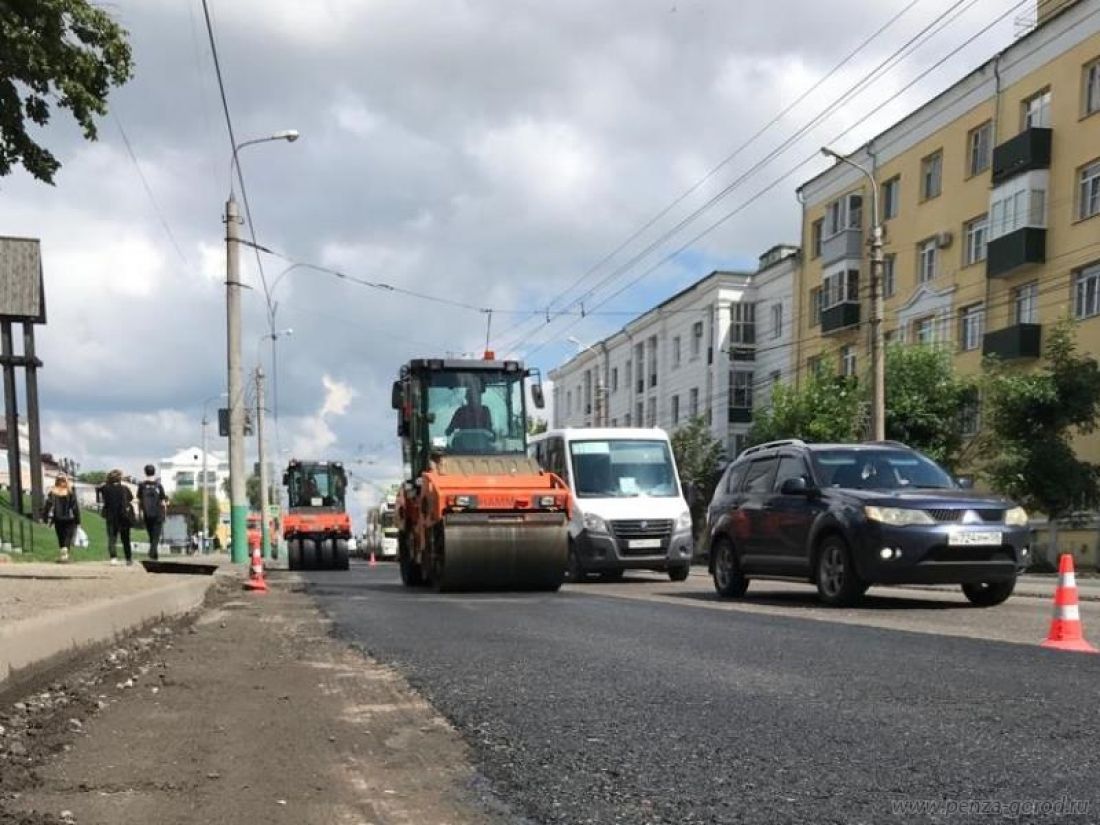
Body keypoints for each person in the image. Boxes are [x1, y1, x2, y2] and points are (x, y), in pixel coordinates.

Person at [99, 469, 135, 566]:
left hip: (111, 516)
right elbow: (131, 498)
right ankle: (128, 558)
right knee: (126, 539)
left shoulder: (105, 488)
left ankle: (113, 558)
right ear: (120, 478)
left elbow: (99, 490)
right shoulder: (124, 488)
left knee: (112, 538)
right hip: (123, 517)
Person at [43, 474, 80, 564]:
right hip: (70, 518)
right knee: (68, 535)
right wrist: (78, 519)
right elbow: (75, 507)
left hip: (57, 517)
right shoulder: (70, 492)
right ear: (66, 481)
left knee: (60, 535)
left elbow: (48, 505)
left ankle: (63, 552)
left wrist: (45, 517)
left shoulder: (53, 492)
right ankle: (65, 553)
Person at [136, 464, 168, 560]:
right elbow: (163, 502)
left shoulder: (142, 486)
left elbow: (139, 500)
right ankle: (152, 552)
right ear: (154, 472)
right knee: (156, 536)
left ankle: (154, 556)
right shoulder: (159, 486)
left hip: (147, 513)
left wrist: (140, 512)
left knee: (151, 535)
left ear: (145, 472)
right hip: (158, 514)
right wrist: (164, 513)